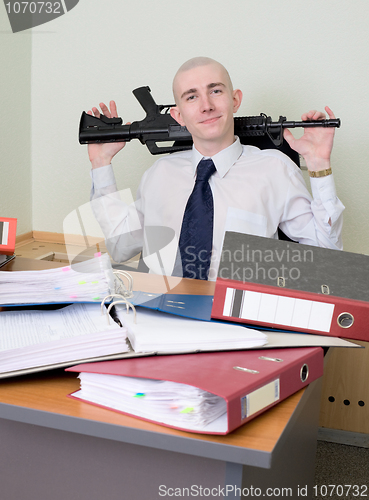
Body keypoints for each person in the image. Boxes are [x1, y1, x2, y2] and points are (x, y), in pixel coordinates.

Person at [87, 57, 344, 281]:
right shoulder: (159, 174)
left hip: (240, 323)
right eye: (191, 96)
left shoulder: (275, 169)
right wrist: (101, 163)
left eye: (216, 91)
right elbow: (121, 247)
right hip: (163, 318)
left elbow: (328, 256)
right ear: (178, 115)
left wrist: (319, 164)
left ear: (235, 100)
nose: (206, 105)